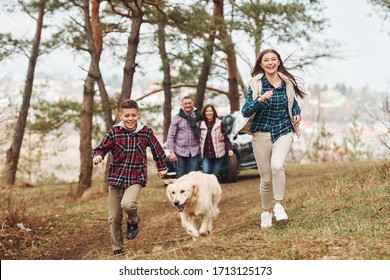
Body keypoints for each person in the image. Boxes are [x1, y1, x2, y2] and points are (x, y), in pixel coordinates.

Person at [92, 99, 167, 255]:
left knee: (128, 204)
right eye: (127, 116)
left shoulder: (146, 131)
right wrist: (98, 156)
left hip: (135, 176)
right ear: (121, 115)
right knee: (114, 218)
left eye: (133, 115)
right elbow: (101, 148)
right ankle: (118, 249)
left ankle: (133, 220)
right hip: (116, 177)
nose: (130, 119)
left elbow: (157, 149)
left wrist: (161, 167)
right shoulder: (114, 132)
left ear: (138, 114)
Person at [241, 49, 306, 229]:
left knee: (278, 166)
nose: (270, 62)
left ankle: (278, 205)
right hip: (261, 133)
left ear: (278, 62)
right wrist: (260, 100)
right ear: (261, 64)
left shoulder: (287, 83)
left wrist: (296, 115)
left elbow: (294, 105)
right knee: (266, 179)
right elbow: (245, 111)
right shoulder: (256, 84)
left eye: (273, 59)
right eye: (266, 60)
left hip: (283, 129)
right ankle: (266, 211)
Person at [167, 96, 201, 178]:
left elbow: (206, 129)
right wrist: (171, 152)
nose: (188, 105)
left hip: (194, 151)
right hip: (180, 151)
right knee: (180, 176)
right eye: (185, 103)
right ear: (182, 105)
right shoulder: (177, 118)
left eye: (189, 103)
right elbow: (171, 136)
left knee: (192, 176)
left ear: (193, 104)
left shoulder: (199, 116)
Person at [199, 104, 234, 177]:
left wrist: (229, 149)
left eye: (211, 111)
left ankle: (213, 188)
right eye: (207, 111)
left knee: (214, 175)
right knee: (206, 173)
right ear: (204, 113)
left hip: (218, 153)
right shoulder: (200, 124)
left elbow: (226, 137)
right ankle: (207, 188)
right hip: (206, 154)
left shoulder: (219, 123)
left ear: (214, 112)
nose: (209, 113)